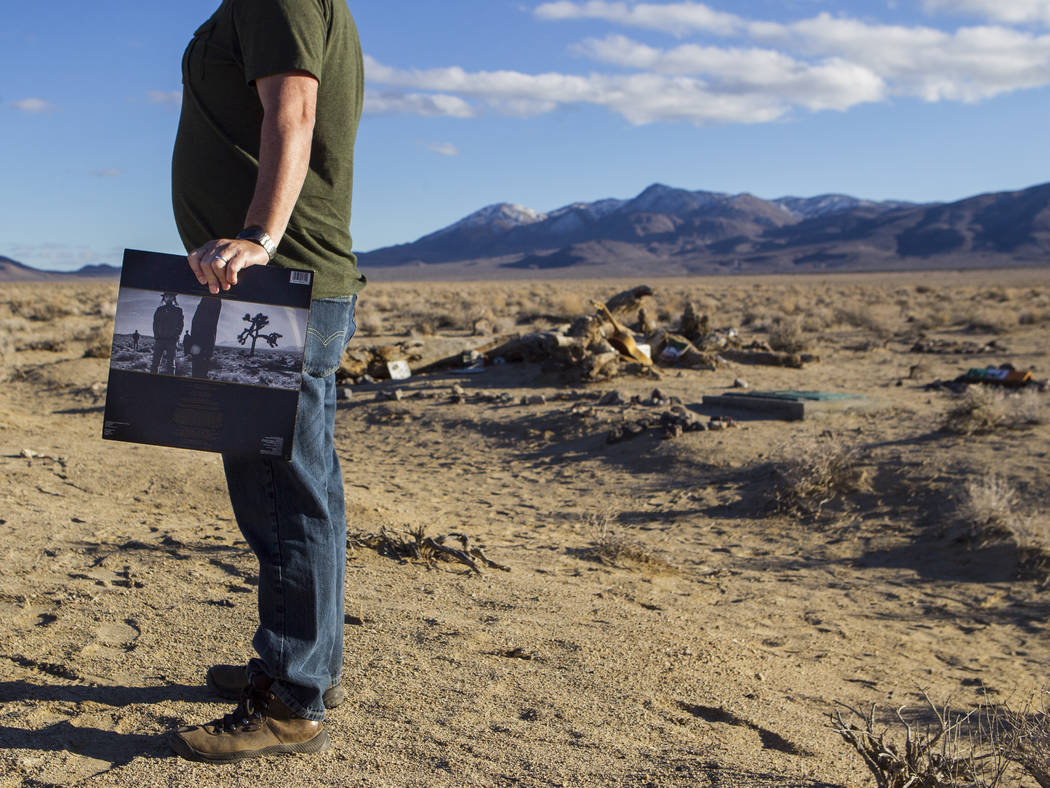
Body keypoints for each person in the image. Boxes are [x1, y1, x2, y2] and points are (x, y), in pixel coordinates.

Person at [167, 0, 365, 763]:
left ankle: (290, 702)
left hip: (276, 283)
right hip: (276, 282)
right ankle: (306, 670)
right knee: (303, 488)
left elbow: (296, 106)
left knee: (284, 500)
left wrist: (257, 237)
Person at [150, 293, 183, 375]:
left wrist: (176, 337)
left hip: (172, 341)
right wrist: (156, 336)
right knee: (155, 363)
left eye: (170, 296)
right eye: (166, 296)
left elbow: (180, 325)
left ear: (173, 298)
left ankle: (170, 384)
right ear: (164, 298)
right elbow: (155, 324)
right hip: (160, 340)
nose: (168, 298)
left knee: (171, 364)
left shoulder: (178, 311)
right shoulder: (159, 310)